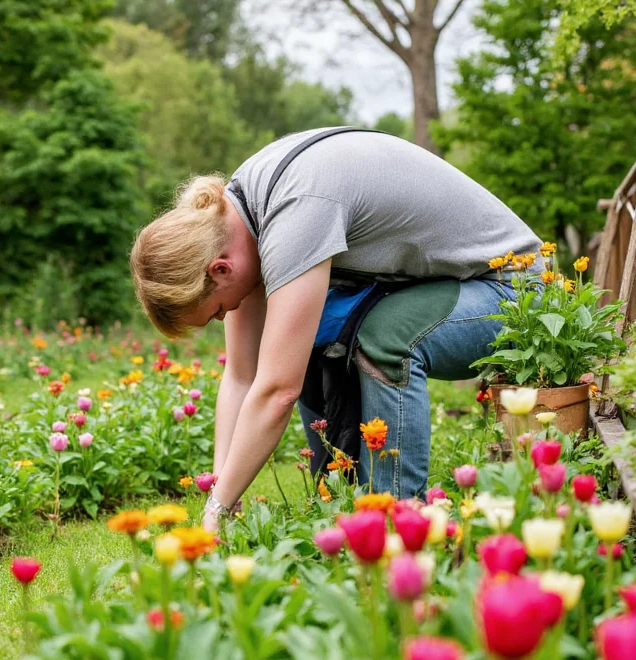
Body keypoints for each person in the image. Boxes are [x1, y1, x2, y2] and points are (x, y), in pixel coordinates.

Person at [129, 127, 543, 532]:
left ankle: (395, 520)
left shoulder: (295, 210)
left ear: (220, 269)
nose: (227, 315)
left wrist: (214, 513)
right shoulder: (237, 217)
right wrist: (224, 494)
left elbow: (276, 391)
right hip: (453, 285)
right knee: (300, 332)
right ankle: (339, 504)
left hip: (516, 292)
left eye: (218, 309)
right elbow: (241, 375)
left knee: (387, 336)